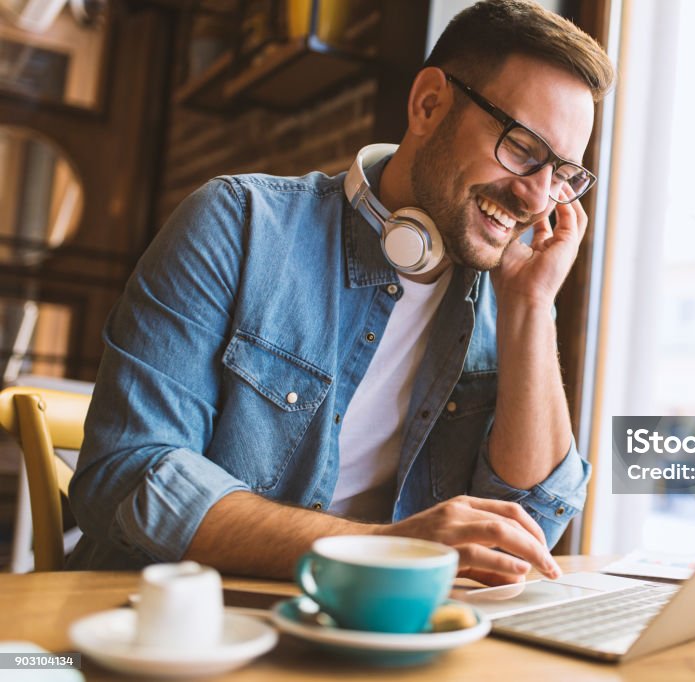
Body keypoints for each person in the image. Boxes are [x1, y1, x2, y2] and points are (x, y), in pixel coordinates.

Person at [67, 0, 615, 586]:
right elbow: (129, 474)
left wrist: (531, 309)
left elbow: (526, 529)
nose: (536, 199)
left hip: (367, 641)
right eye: (523, 148)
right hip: (169, 630)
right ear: (429, 105)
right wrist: (385, 547)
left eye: (561, 175)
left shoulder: (505, 298)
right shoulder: (239, 223)